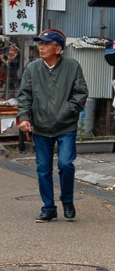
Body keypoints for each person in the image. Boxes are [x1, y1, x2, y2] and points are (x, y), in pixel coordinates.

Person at [17, 29, 89, 223]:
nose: (41, 48)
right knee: (43, 168)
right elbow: (24, 95)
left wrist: (67, 110)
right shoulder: (32, 69)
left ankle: (67, 201)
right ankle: (48, 208)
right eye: (40, 44)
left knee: (65, 164)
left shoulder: (72, 66)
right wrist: (24, 117)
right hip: (40, 127)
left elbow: (81, 93)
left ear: (58, 49)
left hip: (66, 125)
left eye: (46, 44)